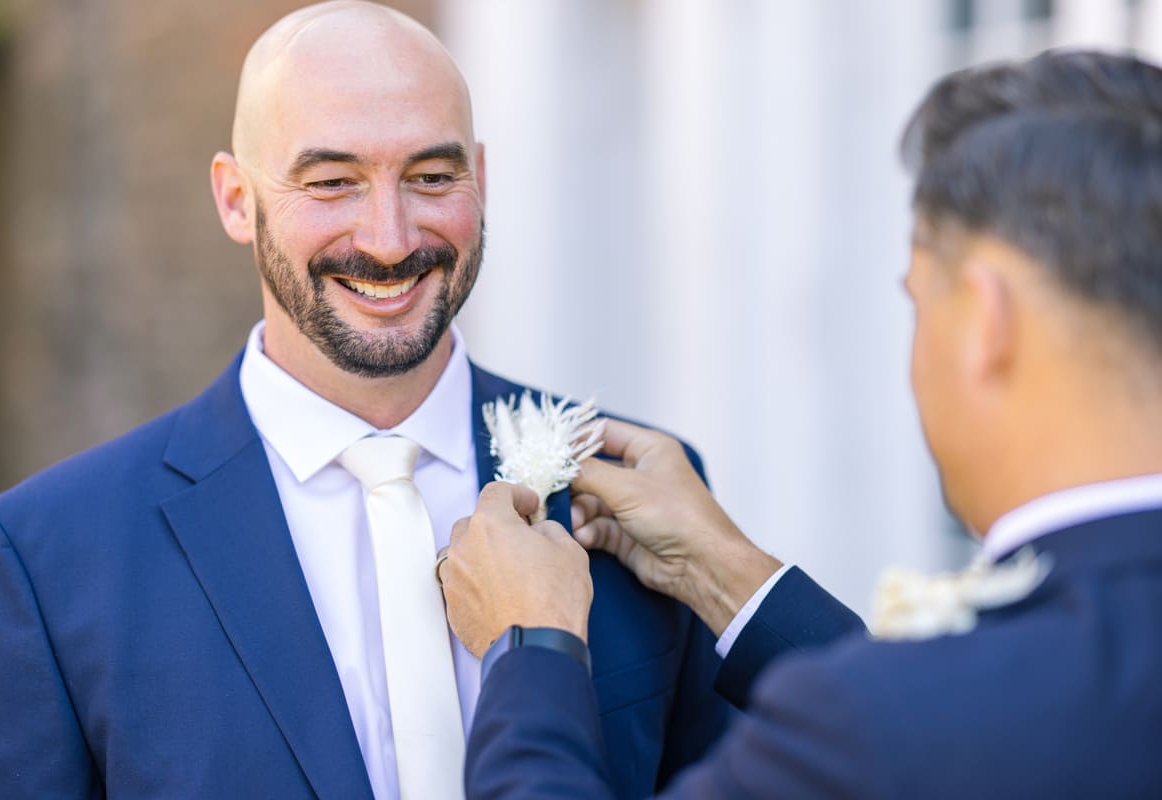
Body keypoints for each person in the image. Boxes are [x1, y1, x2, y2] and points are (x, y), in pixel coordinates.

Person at [0, 3, 753, 798]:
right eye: (333, 182)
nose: (389, 238)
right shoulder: (49, 555)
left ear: (481, 177)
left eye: (432, 178)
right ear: (237, 199)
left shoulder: (645, 492)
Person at [441, 49, 1162, 799]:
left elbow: (921, 727)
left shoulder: (887, 719)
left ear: (985, 319)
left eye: (919, 302)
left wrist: (529, 645)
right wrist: (720, 573)